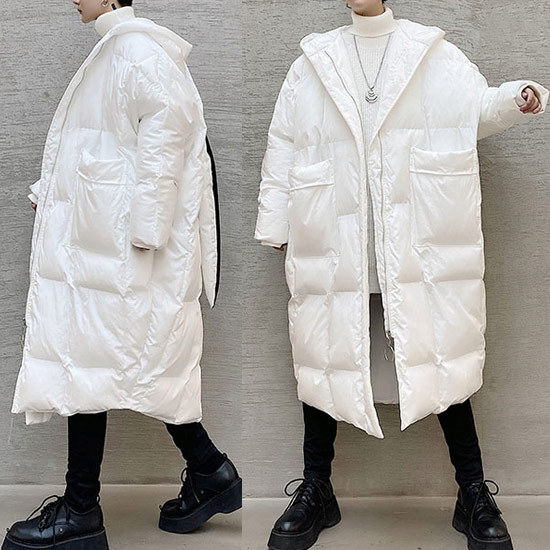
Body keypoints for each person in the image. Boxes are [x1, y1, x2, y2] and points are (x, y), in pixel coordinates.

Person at [254, 1, 548, 549]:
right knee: (324, 360)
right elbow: (284, 146)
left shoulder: (430, 52)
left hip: (414, 243)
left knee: (442, 357)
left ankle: (472, 492)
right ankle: (317, 488)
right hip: (335, 240)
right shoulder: (314, 60)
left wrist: (515, 97)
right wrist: (274, 222)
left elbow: (475, 109)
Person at [3, 2, 240, 550]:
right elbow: (100, 147)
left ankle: (82, 509)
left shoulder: (137, 51)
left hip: (122, 251)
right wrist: (51, 196)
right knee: (108, 363)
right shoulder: (120, 49)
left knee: (93, 362)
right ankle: (209, 472)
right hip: (103, 245)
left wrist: (147, 232)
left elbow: (166, 142)